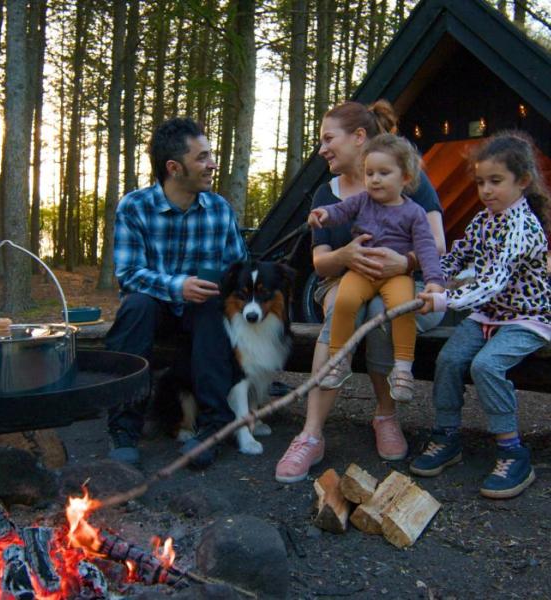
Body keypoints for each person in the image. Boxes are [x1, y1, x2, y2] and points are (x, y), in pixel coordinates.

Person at [275, 100, 446, 483]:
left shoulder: (407, 177)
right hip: (344, 282)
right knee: (343, 307)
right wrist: (346, 255)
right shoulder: (327, 195)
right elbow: (320, 264)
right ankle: (311, 434)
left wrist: (403, 264)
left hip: (411, 283)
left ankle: (385, 414)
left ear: (358, 137)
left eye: (327, 138)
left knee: (378, 313)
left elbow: (438, 243)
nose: (321, 149)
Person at [410, 132, 551, 499]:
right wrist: (432, 278)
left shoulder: (522, 226)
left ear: (522, 181)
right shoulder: (484, 219)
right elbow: (459, 256)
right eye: (480, 182)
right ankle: (446, 435)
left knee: (486, 366)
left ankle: (511, 451)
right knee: (450, 359)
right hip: (489, 314)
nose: (486, 190)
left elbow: (491, 281)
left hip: (526, 317)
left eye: (495, 181)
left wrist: (442, 301)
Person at [105, 117, 247, 468]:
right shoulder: (135, 207)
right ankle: (124, 427)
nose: (212, 164)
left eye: (210, 155)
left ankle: (214, 426)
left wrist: (225, 284)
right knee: (135, 306)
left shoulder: (219, 210)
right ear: (174, 167)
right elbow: (129, 274)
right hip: (156, 310)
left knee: (214, 308)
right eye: (202, 157)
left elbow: (238, 267)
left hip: (202, 314)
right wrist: (177, 286)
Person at [308, 133, 445, 399]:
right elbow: (341, 211)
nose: (375, 179)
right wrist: (324, 214)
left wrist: (434, 281)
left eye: (384, 173)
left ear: (405, 177)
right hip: (362, 272)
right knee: (344, 303)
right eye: (369, 173)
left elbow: (427, 248)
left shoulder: (414, 212)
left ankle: (403, 368)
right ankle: (338, 360)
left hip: (397, 276)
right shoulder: (362, 201)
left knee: (401, 310)